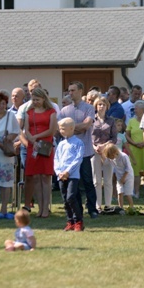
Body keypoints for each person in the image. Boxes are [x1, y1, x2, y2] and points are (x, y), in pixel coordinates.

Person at [58, 81, 98, 219]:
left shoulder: (89, 108)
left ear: (81, 91)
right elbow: (60, 129)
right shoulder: (64, 110)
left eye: (73, 90)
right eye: (69, 90)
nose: (70, 93)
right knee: (73, 183)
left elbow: (85, 126)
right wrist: (70, 129)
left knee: (87, 181)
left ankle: (92, 209)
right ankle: (77, 210)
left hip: (85, 151)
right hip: (69, 154)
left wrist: (68, 129)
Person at [23, 88, 57, 218]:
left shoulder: (51, 112)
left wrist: (36, 136)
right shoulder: (29, 112)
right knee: (36, 177)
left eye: (37, 99)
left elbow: (51, 130)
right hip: (33, 147)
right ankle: (39, 207)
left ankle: (46, 208)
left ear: (43, 99)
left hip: (46, 146)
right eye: (33, 99)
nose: (35, 102)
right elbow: (26, 129)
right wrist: (32, 139)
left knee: (45, 177)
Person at [54, 118, 85, 231]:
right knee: (65, 199)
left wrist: (68, 171)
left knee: (71, 197)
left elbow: (78, 159)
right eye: (60, 128)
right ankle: (70, 221)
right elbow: (56, 159)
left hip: (72, 175)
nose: (60, 130)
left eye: (63, 128)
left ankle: (79, 220)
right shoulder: (61, 144)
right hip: (61, 175)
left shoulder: (78, 143)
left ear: (71, 128)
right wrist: (59, 172)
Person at [91, 96, 117, 210]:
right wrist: (95, 147)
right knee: (96, 180)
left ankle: (108, 204)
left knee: (107, 179)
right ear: (96, 106)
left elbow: (114, 138)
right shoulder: (91, 120)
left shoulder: (111, 121)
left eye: (103, 104)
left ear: (107, 106)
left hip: (108, 152)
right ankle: (97, 205)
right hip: (94, 152)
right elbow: (88, 137)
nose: (101, 106)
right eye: (99, 104)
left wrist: (104, 146)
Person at [125, 100, 144, 197]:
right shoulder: (131, 121)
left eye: (136, 109)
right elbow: (127, 135)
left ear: (142, 110)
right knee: (136, 172)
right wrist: (134, 143)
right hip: (134, 149)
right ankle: (136, 192)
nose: (135, 110)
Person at [103, 144, 134, 211]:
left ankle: (132, 207)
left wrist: (123, 178)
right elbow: (105, 162)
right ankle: (121, 208)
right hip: (119, 178)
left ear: (114, 152)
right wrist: (101, 155)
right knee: (120, 192)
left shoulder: (124, 156)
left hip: (128, 176)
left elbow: (128, 169)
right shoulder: (112, 158)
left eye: (110, 156)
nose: (110, 158)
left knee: (127, 193)